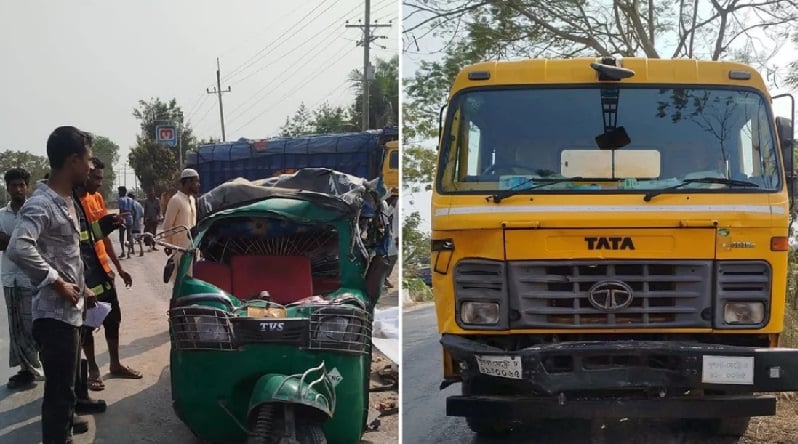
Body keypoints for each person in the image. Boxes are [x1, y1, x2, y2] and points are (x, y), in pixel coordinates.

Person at [7, 126, 99, 444]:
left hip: (69, 312)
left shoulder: (65, 199)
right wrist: (57, 282)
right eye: (87, 160)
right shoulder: (42, 203)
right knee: (59, 396)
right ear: (73, 160)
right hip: (54, 316)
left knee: (67, 391)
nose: (90, 166)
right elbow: (19, 247)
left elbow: (62, 253)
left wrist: (82, 287)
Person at [77, 158, 139, 391]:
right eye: (95, 178)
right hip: (83, 273)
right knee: (86, 325)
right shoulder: (70, 202)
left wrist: (119, 268)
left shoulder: (97, 198)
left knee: (113, 319)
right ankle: (93, 368)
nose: (99, 184)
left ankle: (115, 364)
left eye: (101, 179)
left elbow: (101, 236)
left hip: (103, 271)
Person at [0, 168, 43, 389]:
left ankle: (43, 368)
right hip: (10, 279)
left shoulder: (34, 212)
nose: (18, 189)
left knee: (33, 326)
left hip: (30, 279)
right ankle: (25, 370)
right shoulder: (2, 215)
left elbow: (36, 244)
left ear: (27, 187)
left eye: (21, 185)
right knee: (15, 328)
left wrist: (12, 243)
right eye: (13, 185)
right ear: (7, 188)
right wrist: (19, 245)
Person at [162, 169, 200, 281]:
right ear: (188, 182)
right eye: (196, 181)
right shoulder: (176, 200)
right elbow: (167, 225)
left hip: (193, 249)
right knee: (181, 282)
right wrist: (168, 245)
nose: (198, 185)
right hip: (180, 250)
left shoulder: (192, 200)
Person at [117, 186, 134, 258]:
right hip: (130, 217)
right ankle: (131, 250)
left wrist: (119, 217)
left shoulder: (120, 200)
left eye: (119, 191)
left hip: (123, 218)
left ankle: (123, 251)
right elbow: (132, 210)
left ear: (121, 192)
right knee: (129, 235)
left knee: (121, 236)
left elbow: (121, 210)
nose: (118, 193)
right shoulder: (130, 199)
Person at [128, 192, 145, 256]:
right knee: (138, 237)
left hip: (132, 223)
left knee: (131, 237)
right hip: (138, 223)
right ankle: (141, 249)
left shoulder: (130, 204)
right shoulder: (139, 204)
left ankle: (132, 251)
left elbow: (132, 213)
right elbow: (142, 214)